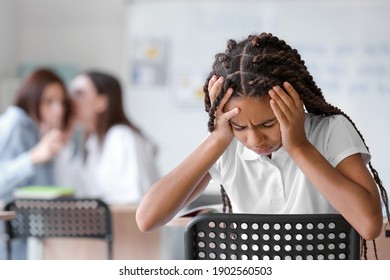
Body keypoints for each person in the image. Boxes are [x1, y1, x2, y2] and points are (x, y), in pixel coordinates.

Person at [136, 33, 389, 257]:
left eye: (268, 124)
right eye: (240, 127)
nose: (255, 140)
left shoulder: (331, 130)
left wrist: (299, 146)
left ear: (293, 101)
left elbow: (368, 225)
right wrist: (218, 138)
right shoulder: (225, 143)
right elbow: (147, 219)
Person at [0, 68, 73, 259]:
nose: (58, 110)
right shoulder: (14, 124)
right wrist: (33, 157)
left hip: (28, 237)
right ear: (30, 98)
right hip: (8, 239)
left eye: (61, 102)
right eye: (48, 101)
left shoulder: (37, 131)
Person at [56, 70, 159, 204]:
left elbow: (135, 200)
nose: (70, 102)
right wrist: (64, 139)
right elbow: (74, 190)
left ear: (102, 102)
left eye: (79, 94)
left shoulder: (121, 137)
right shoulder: (91, 142)